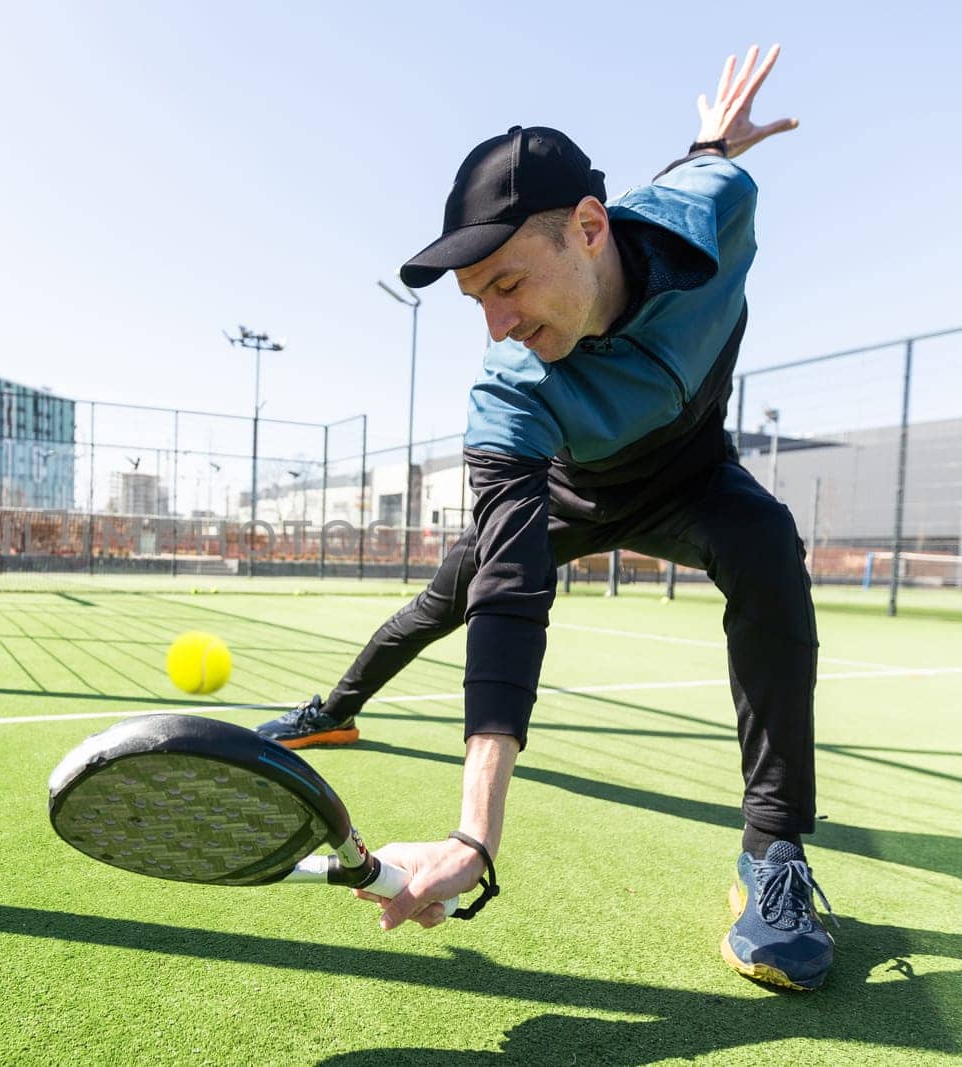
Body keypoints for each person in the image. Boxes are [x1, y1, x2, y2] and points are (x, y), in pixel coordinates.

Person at [256, 45, 837, 990]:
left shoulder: (714, 210)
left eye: (508, 284)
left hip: (691, 477)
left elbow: (700, 176)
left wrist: (709, 144)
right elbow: (512, 600)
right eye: (475, 299)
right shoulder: (510, 391)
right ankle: (333, 709)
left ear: (591, 227)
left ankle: (774, 857)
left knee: (767, 542)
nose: (495, 324)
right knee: (447, 598)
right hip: (567, 488)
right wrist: (473, 834)